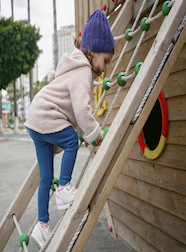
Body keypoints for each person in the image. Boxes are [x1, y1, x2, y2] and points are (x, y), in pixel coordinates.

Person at [24, 9, 115, 249]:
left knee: (45, 178)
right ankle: (64, 188)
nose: (104, 68)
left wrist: (85, 132)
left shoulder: (72, 68)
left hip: (36, 119)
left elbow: (71, 111)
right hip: (46, 116)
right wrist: (94, 134)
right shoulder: (83, 71)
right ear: (93, 51)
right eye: (105, 60)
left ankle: (42, 227)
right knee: (71, 142)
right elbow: (82, 111)